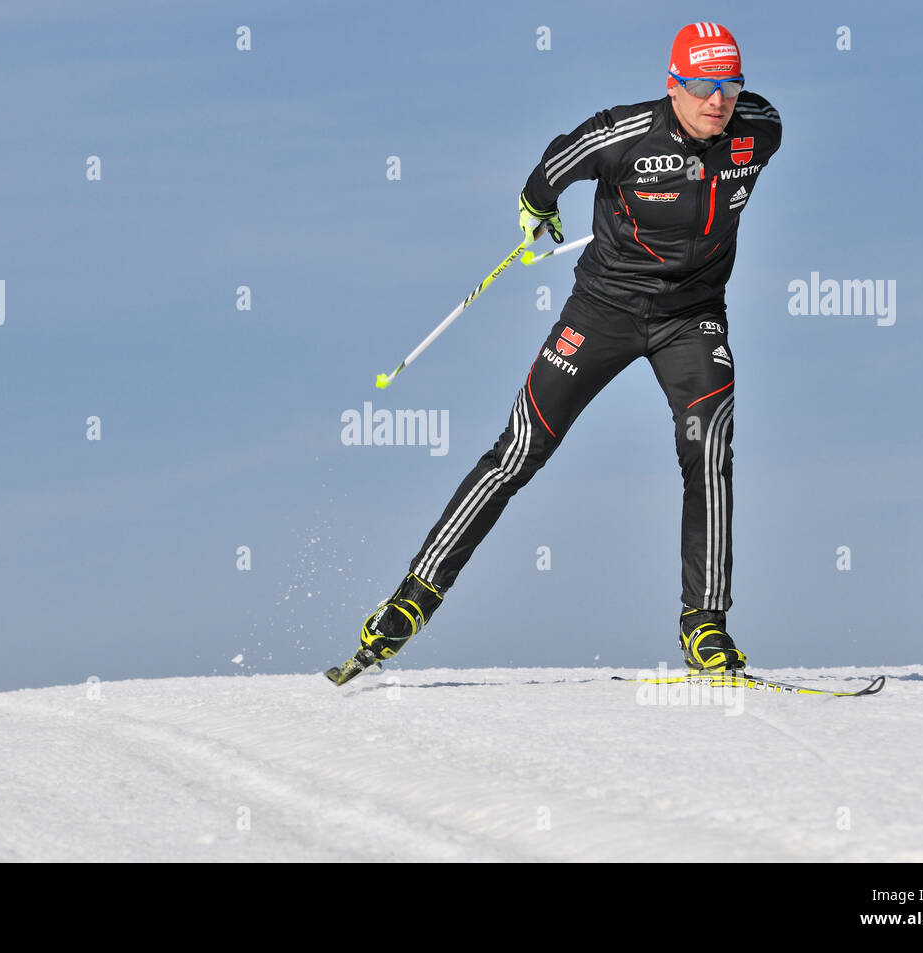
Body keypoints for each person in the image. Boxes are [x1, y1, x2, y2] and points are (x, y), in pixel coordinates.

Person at [329, 22, 781, 684]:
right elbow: (550, 169)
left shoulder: (760, 128)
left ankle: (705, 623)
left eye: (730, 86)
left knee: (709, 447)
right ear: (673, 84)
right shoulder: (624, 134)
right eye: (705, 86)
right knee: (519, 449)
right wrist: (536, 210)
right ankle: (413, 597)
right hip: (603, 312)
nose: (719, 101)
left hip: (693, 318)